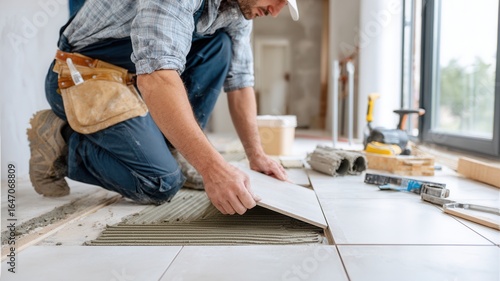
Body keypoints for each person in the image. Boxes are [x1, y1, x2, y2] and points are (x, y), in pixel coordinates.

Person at [27, 0, 299, 216]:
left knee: (219, 46)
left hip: (135, 77)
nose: (276, 12)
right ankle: (62, 142)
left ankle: (173, 148)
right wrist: (213, 169)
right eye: (278, 0)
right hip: (84, 76)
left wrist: (257, 154)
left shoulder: (240, 9)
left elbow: (239, 82)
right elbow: (156, 78)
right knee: (160, 183)